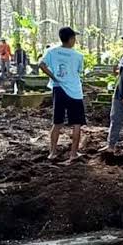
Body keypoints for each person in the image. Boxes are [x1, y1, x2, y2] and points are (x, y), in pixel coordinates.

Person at [39, 27, 85, 162]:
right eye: (74, 38)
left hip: (58, 88)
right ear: (71, 39)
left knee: (57, 122)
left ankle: (52, 152)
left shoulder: (51, 51)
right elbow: (78, 71)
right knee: (76, 123)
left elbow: (41, 64)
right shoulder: (78, 56)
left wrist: (54, 77)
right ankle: (73, 153)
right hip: (75, 92)